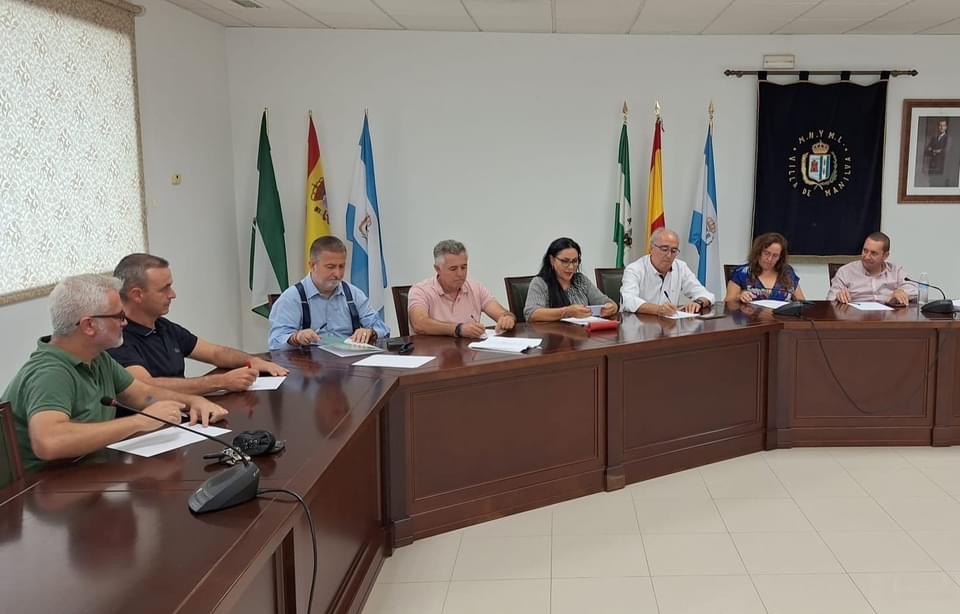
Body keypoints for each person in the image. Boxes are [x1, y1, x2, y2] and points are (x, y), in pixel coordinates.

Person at [1, 274, 228, 472]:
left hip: (87, 470)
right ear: (89, 325)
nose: (125, 323)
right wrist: (139, 421)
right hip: (41, 488)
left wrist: (193, 401)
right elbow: (49, 442)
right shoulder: (50, 373)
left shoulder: (97, 357)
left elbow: (143, 395)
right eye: (118, 316)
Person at [109, 254, 288, 395]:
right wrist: (221, 382)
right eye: (164, 289)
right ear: (137, 295)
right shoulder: (116, 336)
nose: (173, 294)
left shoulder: (163, 326)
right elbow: (145, 387)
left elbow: (215, 353)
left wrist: (253, 361)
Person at [269, 235, 390, 350]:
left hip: (350, 360)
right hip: (309, 362)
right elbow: (275, 343)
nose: (338, 274)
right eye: (330, 267)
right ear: (312, 265)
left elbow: (383, 329)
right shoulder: (291, 298)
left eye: (341, 266)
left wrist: (370, 332)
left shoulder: (354, 294)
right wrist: (295, 338)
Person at [408, 240, 516, 338]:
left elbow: (503, 313)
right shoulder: (420, 291)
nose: (460, 274)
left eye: (463, 267)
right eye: (453, 269)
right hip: (432, 351)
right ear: (437, 269)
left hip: (468, 351)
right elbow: (419, 324)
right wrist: (458, 329)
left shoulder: (476, 288)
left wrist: (507, 319)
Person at [621, 228, 714, 315]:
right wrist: (658, 309)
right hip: (640, 324)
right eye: (664, 249)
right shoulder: (634, 269)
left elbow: (706, 294)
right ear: (651, 249)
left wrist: (698, 302)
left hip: (669, 324)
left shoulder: (680, 267)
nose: (669, 255)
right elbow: (628, 301)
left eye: (674, 251)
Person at [524, 237, 618, 322]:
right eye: (565, 261)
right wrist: (566, 312)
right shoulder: (540, 282)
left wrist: (611, 307)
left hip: (582, 333)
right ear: (552, 260)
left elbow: (606, 302)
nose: (571, 267)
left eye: (574, 261)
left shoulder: (580, 280)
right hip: (553, 334)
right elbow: (531, 314)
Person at [827, 232, 916, 306]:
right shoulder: (846, 271)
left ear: (885, 256)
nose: (867, 257)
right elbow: (830, 299)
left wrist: (902, 291)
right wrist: (838, 296)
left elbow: (914, 290)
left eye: (873, 253)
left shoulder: (896, 271)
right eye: (865, 251)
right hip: (856, 318)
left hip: (887, 317)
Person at [725, 232, 805, 303]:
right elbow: (727, 302)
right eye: (767, 253)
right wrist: (739, 296)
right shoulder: (742, 273)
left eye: (775, 255)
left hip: (781, 315)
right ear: (758, 252)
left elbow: (801, 302)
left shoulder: (787, 272)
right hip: (750, 315)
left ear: (780, 257)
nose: (769, 259)